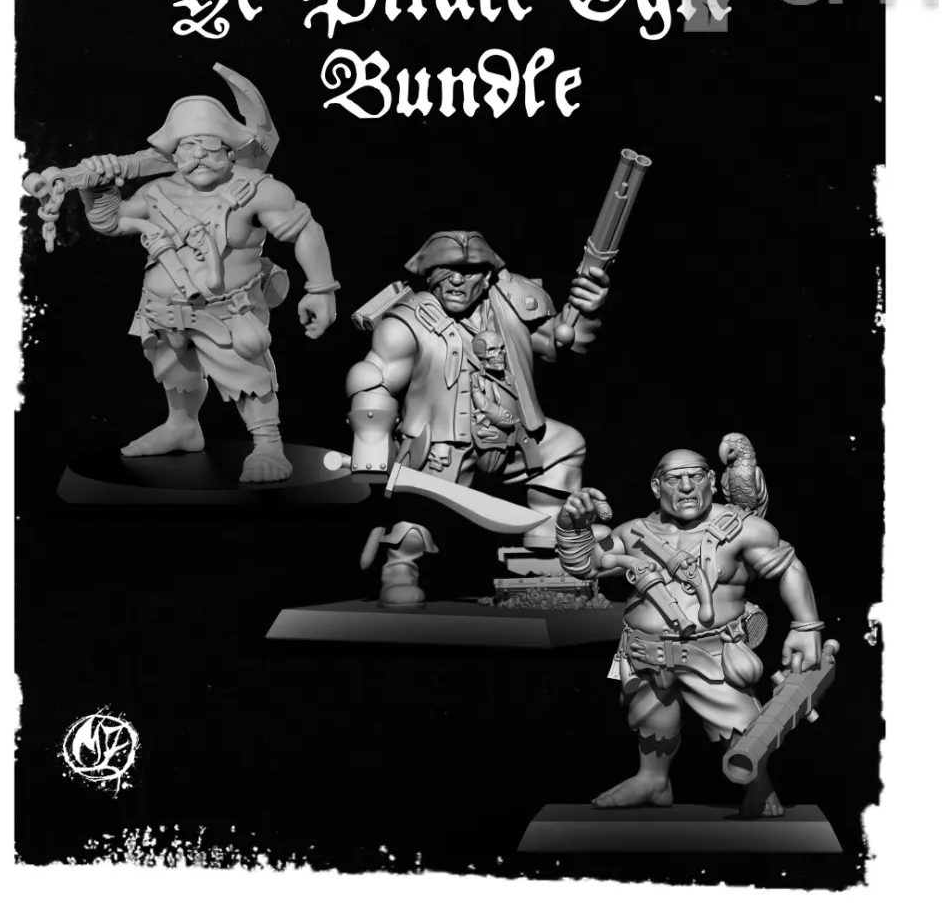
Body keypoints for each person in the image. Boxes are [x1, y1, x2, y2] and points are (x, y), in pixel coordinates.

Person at [78, 91, 338, 482]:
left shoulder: (257, 190)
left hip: (228, 313)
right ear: (172, 153)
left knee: (247, 374)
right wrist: (96, 187)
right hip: (162, 312)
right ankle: (182, 427)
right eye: (187, 147)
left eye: (209, 146)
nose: (198, 156)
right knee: (172, 367)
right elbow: (111, 223)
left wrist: (321, 290)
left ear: (231, 149)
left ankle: (268, 445)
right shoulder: (156, 192)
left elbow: (306, 231)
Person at [347, 229, 609, 608]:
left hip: (513, 436)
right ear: (430, 274)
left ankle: (548, 542)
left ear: (486, 277)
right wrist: (372, 442)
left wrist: (586, 308)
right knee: (420, 507)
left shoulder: (512, 303)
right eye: (446, 271)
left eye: (468, 272)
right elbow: (375, 375)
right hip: (443, 444)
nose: (457, 280)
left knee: (564, 445)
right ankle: (400, 567)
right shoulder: (407, 320)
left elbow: (561, 341)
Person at [555, 449, 824, 817]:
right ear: (656, 487)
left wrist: (806, 627)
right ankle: (653, 781)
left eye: (695, 476)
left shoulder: (743, 529)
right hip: (645, 654)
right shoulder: (634, 533)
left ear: (711, 481)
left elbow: (789, 568)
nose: (686, 487)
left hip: (713, 655)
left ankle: (759, 787)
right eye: (673, 478)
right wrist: (572, 529)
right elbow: (586, 566)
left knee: (742, 728)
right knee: (651, 719)